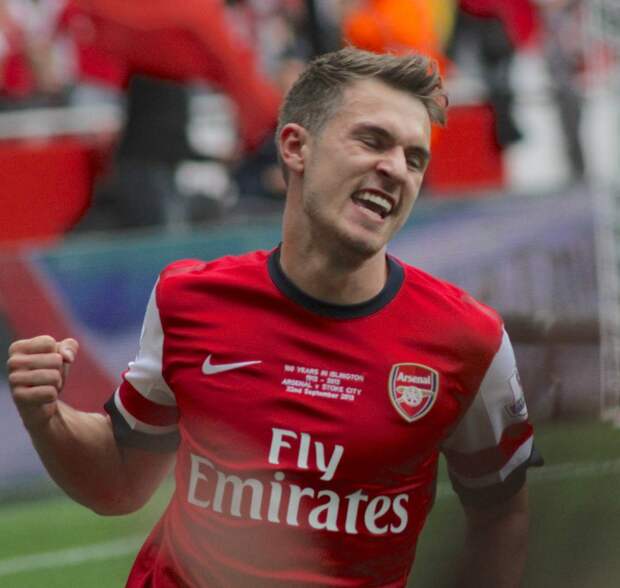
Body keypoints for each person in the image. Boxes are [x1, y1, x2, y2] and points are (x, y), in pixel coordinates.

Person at [7, 47, 539, 587]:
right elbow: (121, 484)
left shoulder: (470, 340)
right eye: (372, 140)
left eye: (415, 158)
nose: (396, 169)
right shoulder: (189, 299)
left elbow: (501, 516)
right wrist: (47, 416)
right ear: (295, 147)